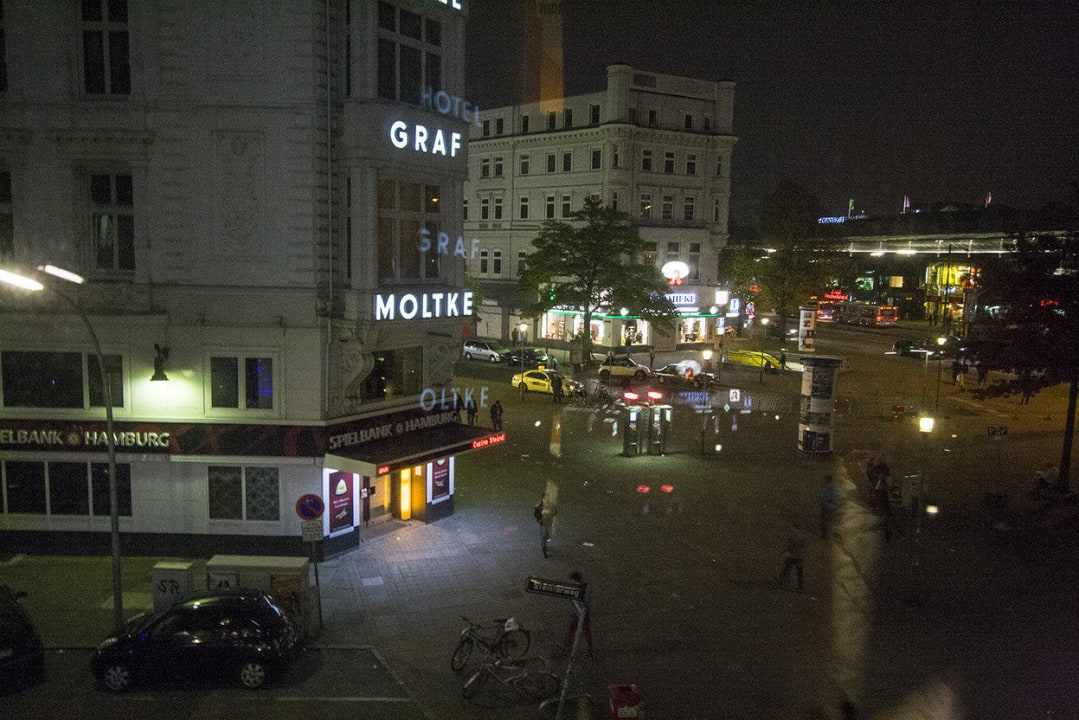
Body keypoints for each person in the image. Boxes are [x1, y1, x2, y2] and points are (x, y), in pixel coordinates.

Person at [562, 570, 594, 656]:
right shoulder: (585, 586)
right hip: (584, 613)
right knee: (586, 631)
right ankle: (589, 650)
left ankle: (567, 647)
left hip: (578, 613)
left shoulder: (576, 588)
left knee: (571, 630)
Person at [777, 522, 806, 592]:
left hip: (792, 555)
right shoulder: (802, 535)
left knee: (786, 569)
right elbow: (803, 545)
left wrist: (784, 550)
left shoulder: (793, 534)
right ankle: (800, 587)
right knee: (799, 572)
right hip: (799, 556)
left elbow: (790, 544)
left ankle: (781, 582)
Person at [819, 474, 841, 540]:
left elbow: (823, 499)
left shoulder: (826, 488)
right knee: (834, 522)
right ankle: (836, 536)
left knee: (824, 521)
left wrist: (824, 505)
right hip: (835, 508)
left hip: (827, 508)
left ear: (827, 480)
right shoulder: (836, 488)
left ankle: (825, 535)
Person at [535, 494, 557, 558]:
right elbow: (536, 514)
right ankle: (544, 549)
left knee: (547, 531)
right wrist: (541, 514)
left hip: (549, 522)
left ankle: (547, 537)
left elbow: (555, 511)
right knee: (543, 536)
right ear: (542, 499)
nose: (547, 500)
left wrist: (551, 512)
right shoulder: (538, 506)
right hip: (542, 523)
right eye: (545, 499)